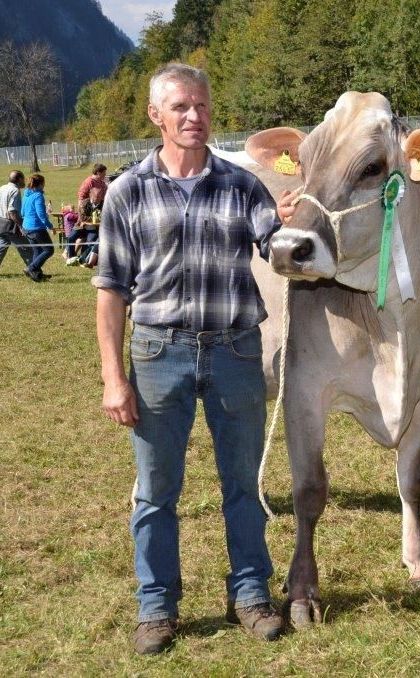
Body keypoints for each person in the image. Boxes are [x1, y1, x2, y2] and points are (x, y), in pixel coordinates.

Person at [93, 62, 285, 655]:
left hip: (234, 351)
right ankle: (156, 608)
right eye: (180, 107)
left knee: (243, 484)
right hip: (157, 354)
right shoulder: (127, 192)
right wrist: (113, 376)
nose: (193, 116)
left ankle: (250, 596)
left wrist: (297, 224)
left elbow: (276, 245)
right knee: (155, 490)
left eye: (201, 105)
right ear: (156, 115)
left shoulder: (242, 185)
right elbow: (110, 289)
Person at [20, 174, 55, 282]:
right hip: (36, 228)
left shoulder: (26, 195)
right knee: (49, 250)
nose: (44, 185)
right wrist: (50, 226)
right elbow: (41, 215)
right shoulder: (38, 196)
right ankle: (31, 268)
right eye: (43, 183)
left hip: (26, 228)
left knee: (37, 250)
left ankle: (37, 275)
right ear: (40, 184)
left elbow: (22, 212)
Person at [0, 170, 31, 270]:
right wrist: (21, 226)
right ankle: (34, 271)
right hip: (10, 225)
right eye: (23, 179)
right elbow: (12, 211)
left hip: (1, 222)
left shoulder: (2, 188)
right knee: (27, 249)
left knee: (1, 247)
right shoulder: (15, 191)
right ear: (19, 179)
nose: (24, 181)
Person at [78, 186, 102, 268]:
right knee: (72, 237)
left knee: (93, 240)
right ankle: (80, 258)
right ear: (92, 196)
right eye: (97, 196)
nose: (99, 198)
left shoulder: (103, 203)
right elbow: (82, 217)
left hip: (97, 229)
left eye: (100, 196)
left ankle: (86, 260)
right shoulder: (85, 203)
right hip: (83, 227)